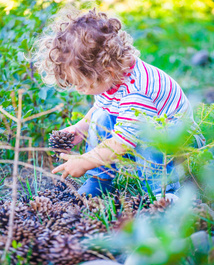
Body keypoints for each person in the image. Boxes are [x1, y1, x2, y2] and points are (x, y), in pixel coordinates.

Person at [35, 8, 205, 197]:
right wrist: (81, 127)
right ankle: (100, 180)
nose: (78, 89)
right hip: (139, 134)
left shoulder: (138, 90)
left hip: (177, 145)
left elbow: (122, 142)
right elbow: (101, 107)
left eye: (82, 84)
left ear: (107, 70)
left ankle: (162, 192)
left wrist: (85, 161)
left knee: (150, 135)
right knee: (100, 116)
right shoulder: (112, 78)